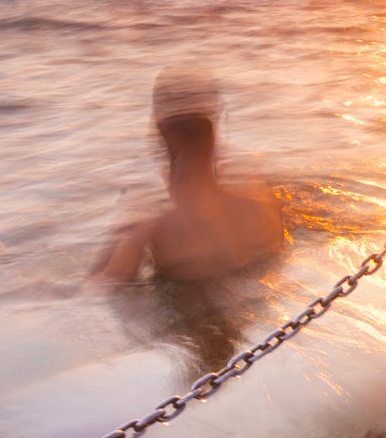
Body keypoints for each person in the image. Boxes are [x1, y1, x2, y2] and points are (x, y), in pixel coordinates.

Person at [97, 69, 285, 285]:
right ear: (213, 134)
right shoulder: (262, 208)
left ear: (159, 133)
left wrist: (125, 236)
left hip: (182, 308)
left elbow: (101, 291)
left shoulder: (152, 228)